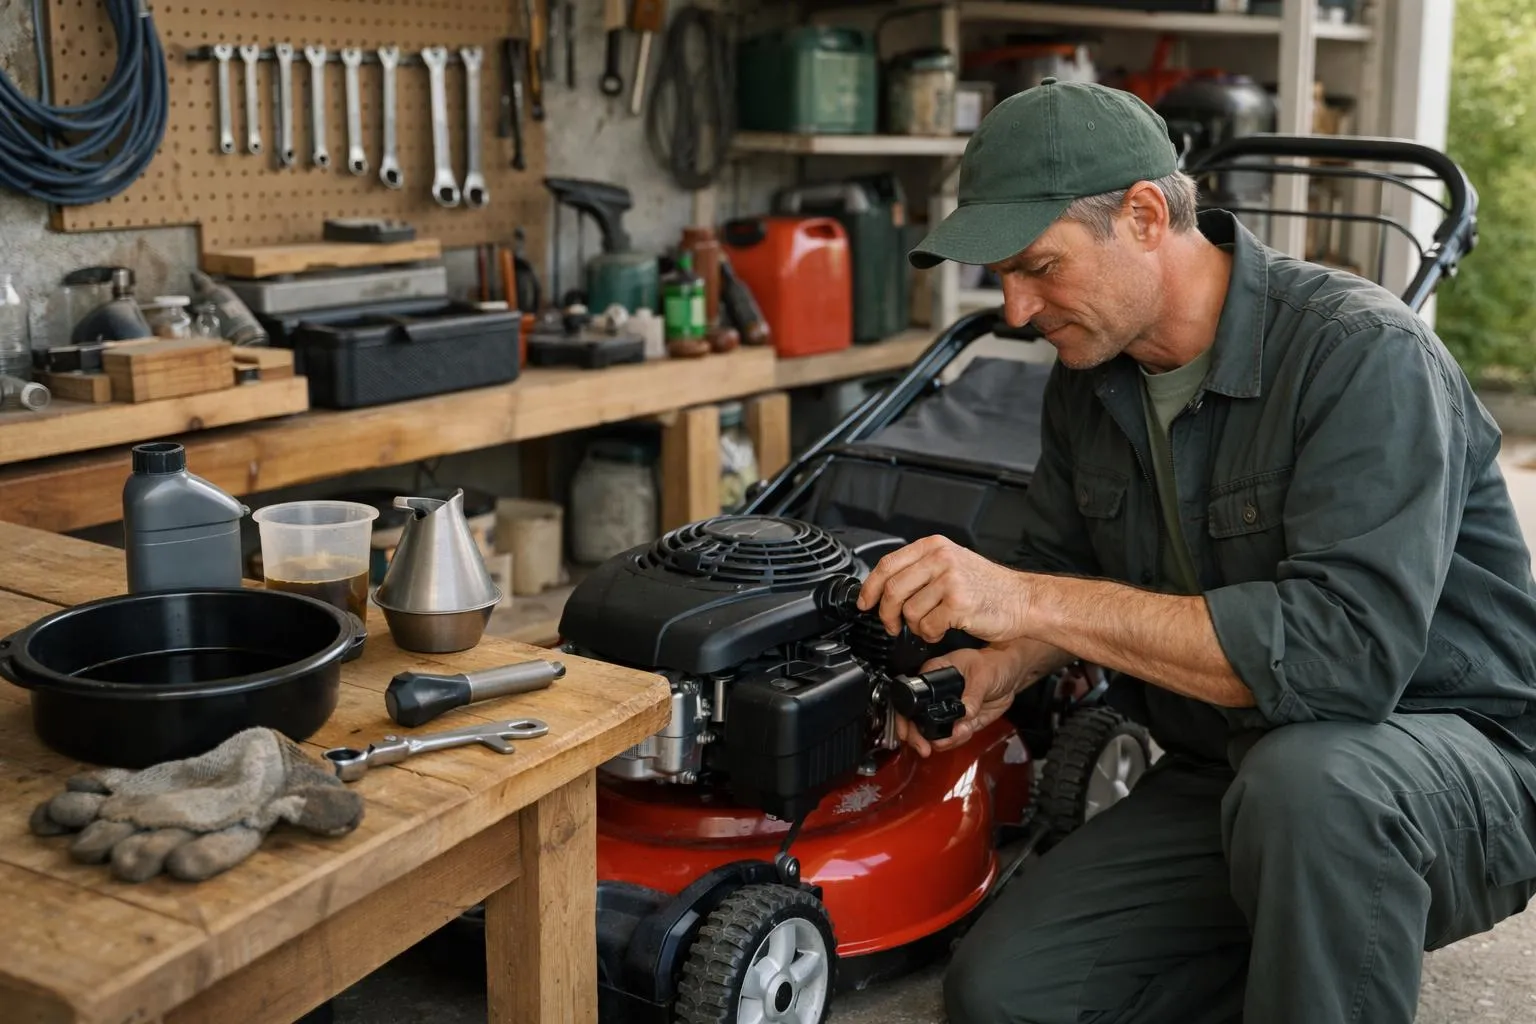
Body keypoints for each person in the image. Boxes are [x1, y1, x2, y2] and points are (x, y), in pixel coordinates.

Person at [856, 78, 1536, 1024]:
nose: (1015, 310)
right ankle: (1304, 956)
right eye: (1000, 277)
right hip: (1227, 767)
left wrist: (1031, 605)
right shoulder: (1088, 377)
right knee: (1009, 995)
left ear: (1142, 215)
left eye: (1038, 267)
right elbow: (1069, 586)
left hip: (1439, 764)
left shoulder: (1364, 354)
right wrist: (997, 667)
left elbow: (1344, 660)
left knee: (1309, 788)